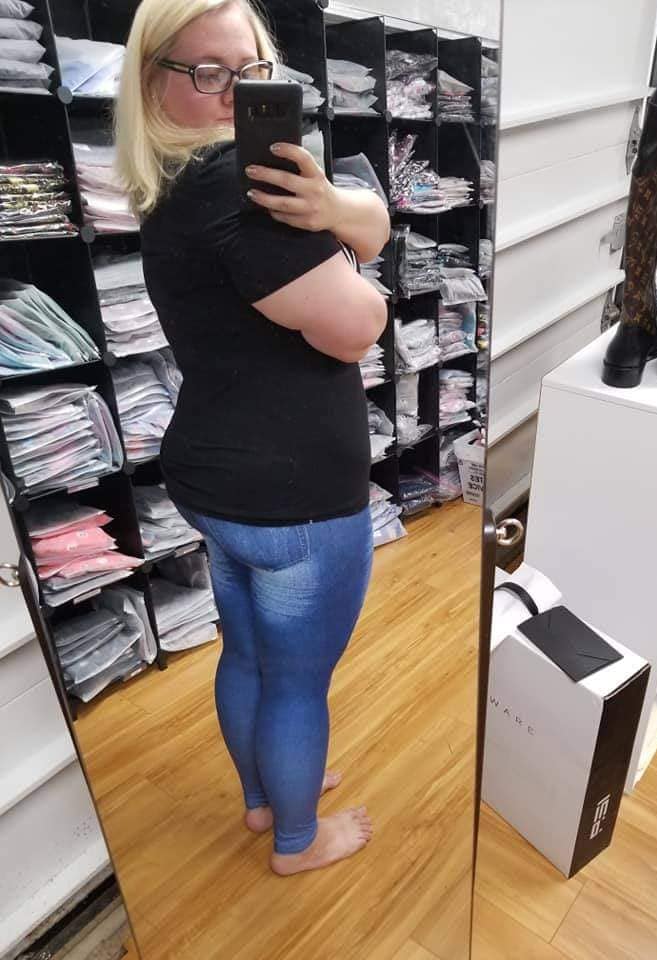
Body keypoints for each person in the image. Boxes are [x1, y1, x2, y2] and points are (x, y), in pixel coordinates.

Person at [115, 0, 390, 876]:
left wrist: (334, 208)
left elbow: (374, 227)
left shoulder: (171, 183)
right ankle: (299, 842)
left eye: (251, 71)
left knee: (248, 655)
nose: (235, 94)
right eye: (207, 73)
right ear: (154, 82)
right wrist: (353, 265)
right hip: (294, 493)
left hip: (218, 477)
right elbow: (357, 327)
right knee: (297, 682)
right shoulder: (237, 191)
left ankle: (265, 798)